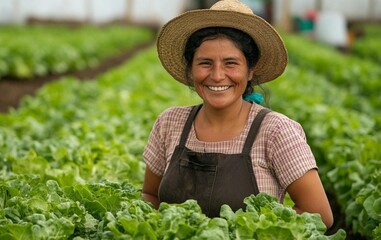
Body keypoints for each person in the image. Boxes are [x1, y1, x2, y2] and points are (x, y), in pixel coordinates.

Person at [141, 0, 333, 228]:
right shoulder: (169, 123)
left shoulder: (276, 131)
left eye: (231, 63)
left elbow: (319, 215)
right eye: (205, 63)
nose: (218, 75)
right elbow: (150, 196)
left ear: (250, 70)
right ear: (191, 70)